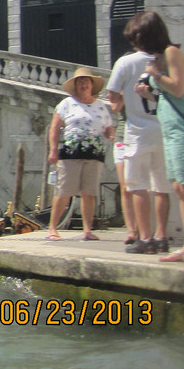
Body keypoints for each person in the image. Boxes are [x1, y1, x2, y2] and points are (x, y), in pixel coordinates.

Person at [129, 12, 184, 265]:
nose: (136, 46)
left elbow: (179, 87)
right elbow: (174, 96)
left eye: (137, 39)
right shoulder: (161, 58)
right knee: (181, 188)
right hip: (172, 131)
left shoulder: (171, 53)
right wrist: (150, 94)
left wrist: (156, 76)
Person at [107, 16, 172, 254]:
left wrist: (126, 98)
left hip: (137, 132)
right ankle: (162, 236)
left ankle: (145, 238)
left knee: (138, 186)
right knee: (161, 187)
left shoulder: (126, 63)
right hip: (164, 130)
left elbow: (113, 97)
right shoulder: (166, 59)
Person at [46, 67, 115, 241]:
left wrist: (110, 134)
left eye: (87, 81)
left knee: (89, 192)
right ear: (75, 85)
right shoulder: (66, 104)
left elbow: (109, 127)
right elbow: (54, 128)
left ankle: (87, 230)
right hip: (70, 153)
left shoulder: (100, 106)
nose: (84, 84)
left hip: (94, 154)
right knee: (64, 191)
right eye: (80, 82)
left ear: (92, 85)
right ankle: (53, 228)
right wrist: (53, 150)